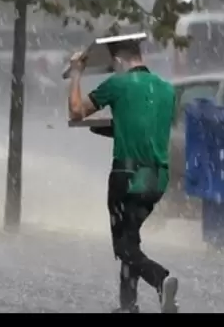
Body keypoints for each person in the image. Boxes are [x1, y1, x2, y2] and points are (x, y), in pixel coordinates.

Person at [67, 40, 179, 314]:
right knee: (131, 238)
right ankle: (128, 307)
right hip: (157, 179)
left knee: (123, 247)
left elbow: (76, 110)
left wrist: (76, 74)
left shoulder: (118, 84)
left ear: (117, 62)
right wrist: (117, 128)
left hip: (126, 176)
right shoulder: (167, 89)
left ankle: (160, 279)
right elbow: (146, 127)